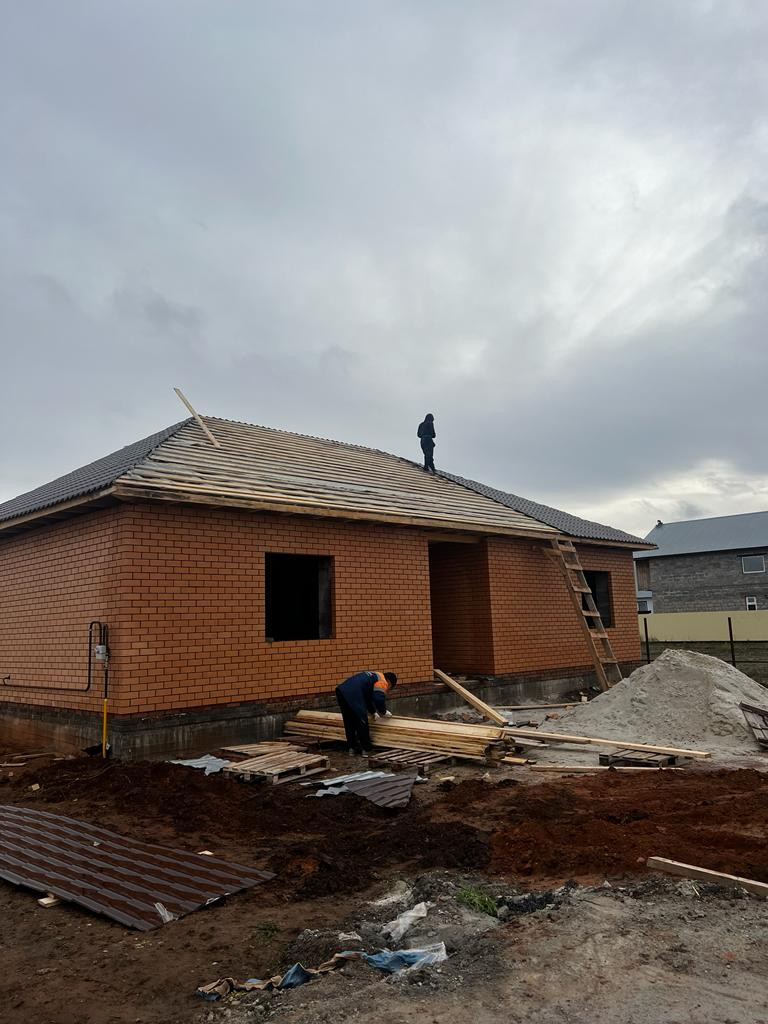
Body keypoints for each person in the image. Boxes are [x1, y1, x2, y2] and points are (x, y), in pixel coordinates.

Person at [335, 670, 398, 755]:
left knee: (349, 721)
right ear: (389, 682)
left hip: (342, 691)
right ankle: (366, 749)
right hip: (354, 693)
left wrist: (373, 712)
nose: (387, 690)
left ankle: (352, 748)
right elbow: (378, 698)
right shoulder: (382, 681)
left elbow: (367, 698)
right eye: (389, 688)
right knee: (362, 721)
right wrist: (383, 711)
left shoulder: (374, 676)